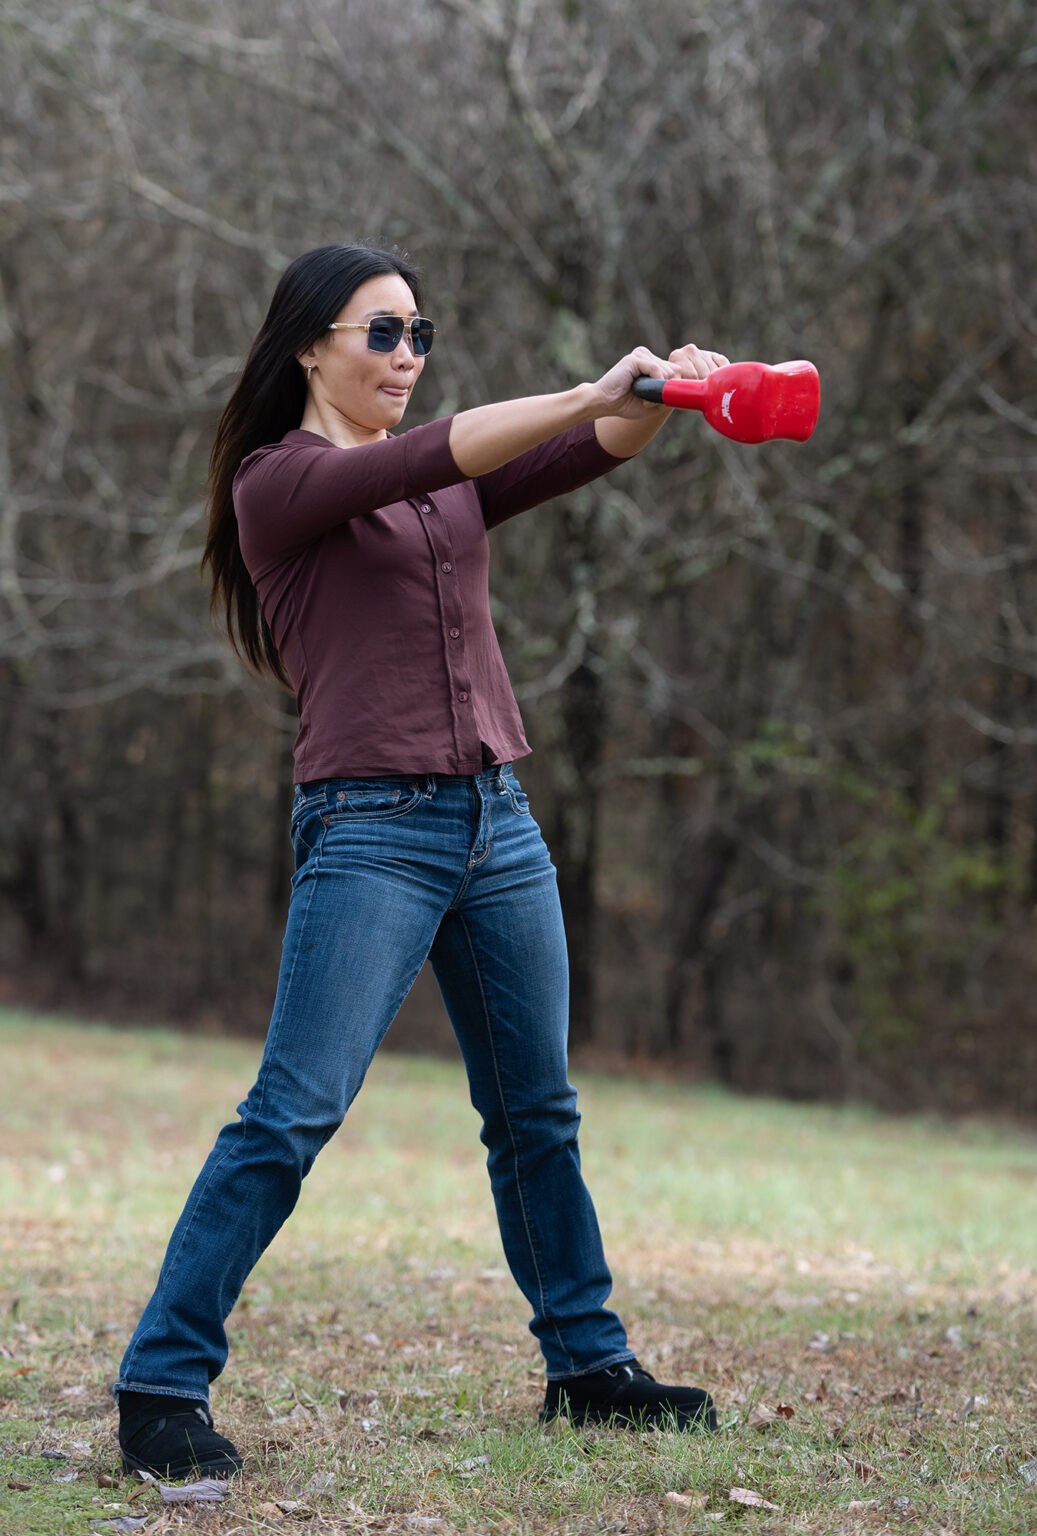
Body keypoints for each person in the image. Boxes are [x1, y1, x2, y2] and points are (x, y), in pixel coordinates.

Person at [114, 242, 729, 1480]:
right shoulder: (278, 482)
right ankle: (160, 1386)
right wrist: (587, 386)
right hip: (371, 830)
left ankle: (587, 1366)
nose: (406, 356)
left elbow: (580, 453)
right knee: (292, 1113)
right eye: (381, 333)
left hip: (495, 822)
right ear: (308, 347)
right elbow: (435, 453)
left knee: (534, 1112)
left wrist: (660, 397)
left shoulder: (438, 482)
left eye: (419, 334)